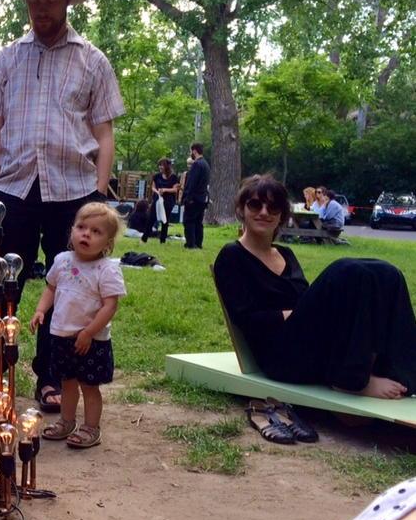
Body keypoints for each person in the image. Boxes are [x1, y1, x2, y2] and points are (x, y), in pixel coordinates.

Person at [0, 0, 125, 413]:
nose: (41, 10)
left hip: (75, 189)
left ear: (66, 2)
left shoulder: (92, 60)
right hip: (13, 188)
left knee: (70, 290)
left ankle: (52, 377)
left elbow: (103, 132)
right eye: (34, 2)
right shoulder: (6, 59)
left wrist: (99, 190)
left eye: (50, 1)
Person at [214, 174, 416, 398]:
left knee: (387, 273)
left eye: (273, 207)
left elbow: (306, 299)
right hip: (280, 357)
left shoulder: (285, 254)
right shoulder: (232, 256)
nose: (264, 212)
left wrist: (314, 312)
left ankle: (401, 371)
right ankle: (348, 380)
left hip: (308, 340)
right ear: (241, 209)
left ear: (281, 215)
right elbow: (245, 318)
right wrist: (294, 314)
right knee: (348, 270)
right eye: (255, 204)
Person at [30, 203, 126, 448]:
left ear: (108, 243)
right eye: (81, 227)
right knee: (67, 383)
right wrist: (41, 310)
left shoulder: (107, 269)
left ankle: (91, 428)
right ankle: (67, 421)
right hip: (61, 335)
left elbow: (110, 306)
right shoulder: (62, 260)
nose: (86, 234)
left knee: (89, 387)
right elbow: (51, 288)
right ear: (71, 230)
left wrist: (89, 332)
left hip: (91, 341)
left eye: (96, 231)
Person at [142, 158, 179, 244]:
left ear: (167, 166)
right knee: (151, 218)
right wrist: (157, 191)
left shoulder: (174, 177)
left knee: (165, 220)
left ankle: (163, 240)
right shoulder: (157, 176)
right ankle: (144, 238)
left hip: (168, 201)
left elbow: (175, 190)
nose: (160, 167)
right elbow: (153, 187)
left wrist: (165, 190)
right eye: (159, 165)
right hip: (157, 199)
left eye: (162, 165)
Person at [181, 142, 210, 249]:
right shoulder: (206, 164)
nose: (191, 153)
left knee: (189, 221)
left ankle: (190, 243)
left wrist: (188, 198)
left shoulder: (197, 164)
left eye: (191, 151)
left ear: (194, 151)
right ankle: (198, 243)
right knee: (198, 222)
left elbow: (192, 182)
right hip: (202, 198)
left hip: (194, 198)